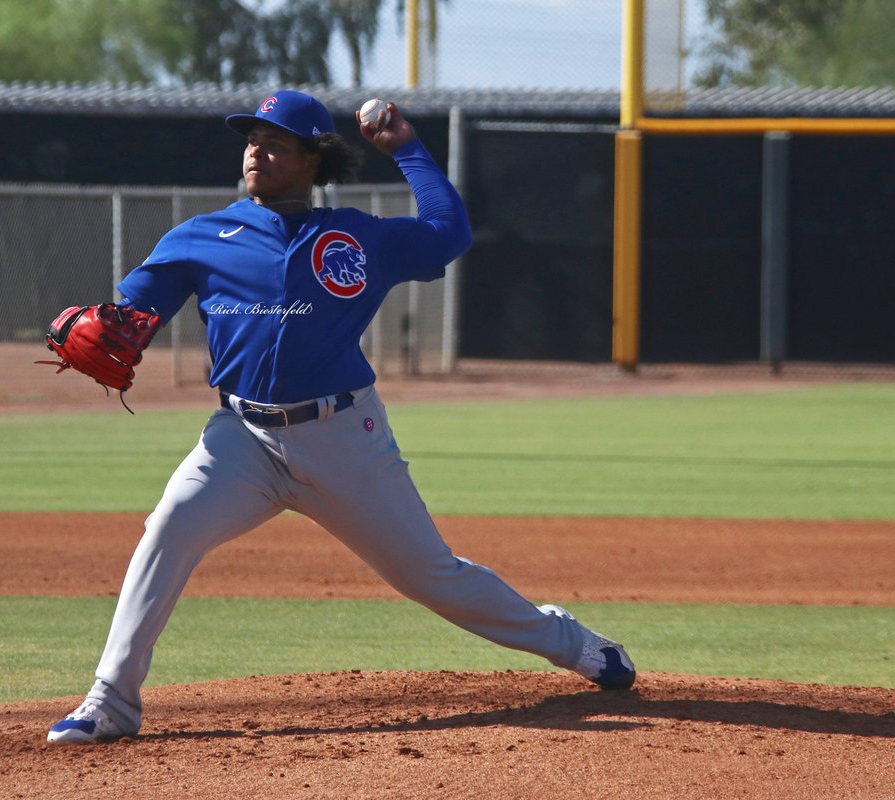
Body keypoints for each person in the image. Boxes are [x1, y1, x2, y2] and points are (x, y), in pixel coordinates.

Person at [46, 90, 635, 744]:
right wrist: (113, 322)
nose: (255, 151)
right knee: (169, 530)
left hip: (344, 439)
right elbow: (131, 315)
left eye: (274, 142)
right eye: (251, 139)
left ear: (311, 158)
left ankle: (572, 643)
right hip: (239, 440)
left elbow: (450, 233)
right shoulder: (199, 239)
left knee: (431, 577)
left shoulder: (357, 237)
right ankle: (113, 701)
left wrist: (407, 149)